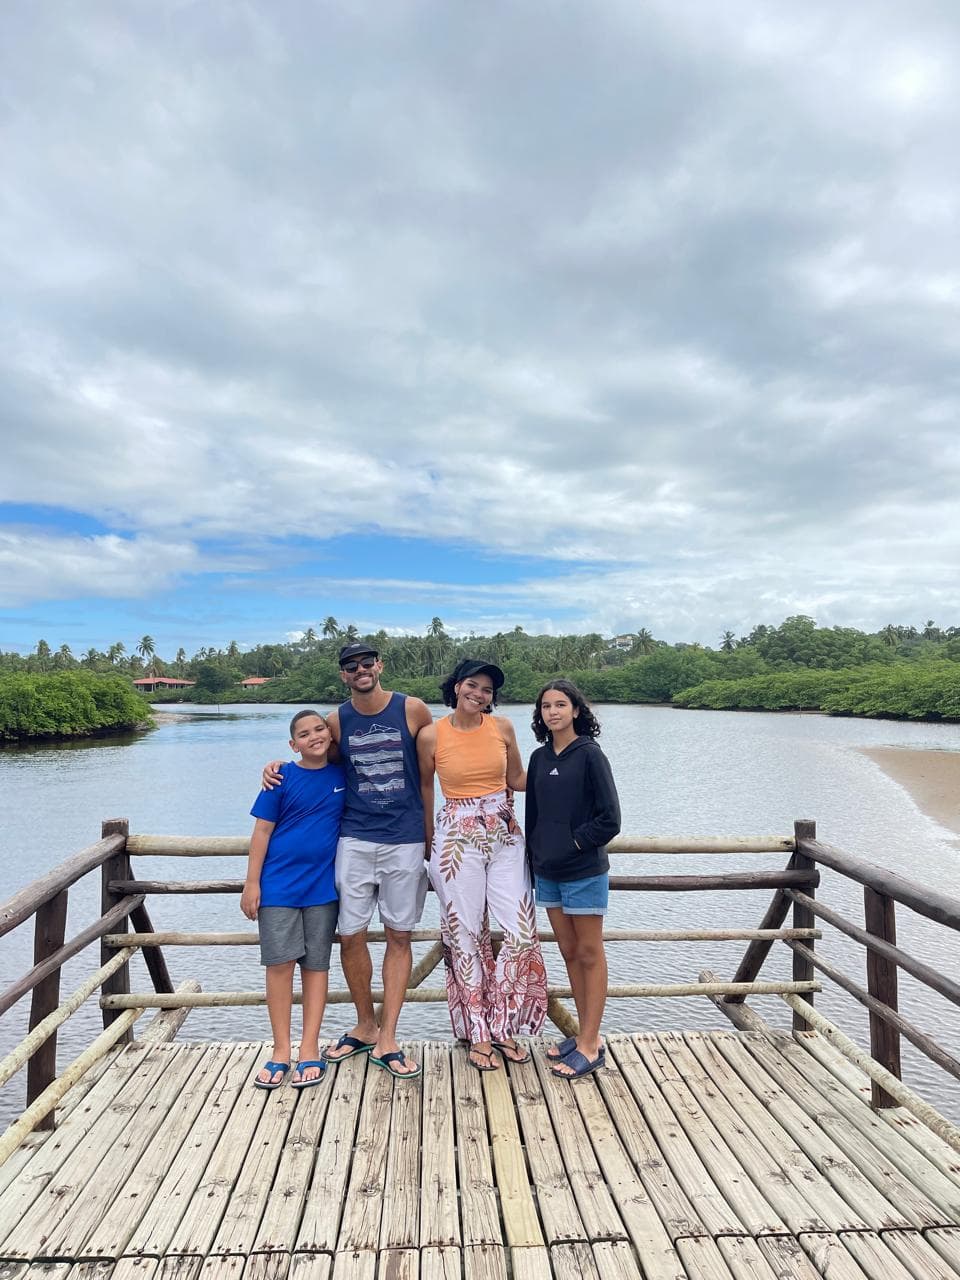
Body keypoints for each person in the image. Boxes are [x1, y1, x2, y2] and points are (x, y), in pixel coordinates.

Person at [262, 643, 431, 1080]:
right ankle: (365, 1024)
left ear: (380, 666)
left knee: (399, 935)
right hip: (354, 839)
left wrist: (430, 835)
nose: (361, 670)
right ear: (343, 675)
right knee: (350, 935)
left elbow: (429, 776)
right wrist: (276, 767)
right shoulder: (336, 721)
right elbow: (315, 760)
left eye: (367, 663)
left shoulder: (413, 710)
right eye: (351, 666)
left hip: (404, 838)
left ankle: (389, 1036)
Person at [418, 659, 547, 1071]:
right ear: (456, 687)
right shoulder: (430, 735)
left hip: (505, 833)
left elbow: (518, 779)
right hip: (456, 837)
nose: (479, 694)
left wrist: (569, 760)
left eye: (487, 690)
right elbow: (424, 789)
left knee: (520, 931)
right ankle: (477, 1032)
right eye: (472, 685)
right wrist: (427, 841)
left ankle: (505, 1026)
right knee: (466, 934)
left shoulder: (503, 728)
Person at [242, 709, 346, 1090]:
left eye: (320, 729)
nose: (314, 736)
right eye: (304, 734)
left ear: (330, 735)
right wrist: (251, 884)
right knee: (280, 965)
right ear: (293, 744)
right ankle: (281, 1050)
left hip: (322, 889)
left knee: (316, 967)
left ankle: (309, 1047)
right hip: (279, 887)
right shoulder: (282, 777)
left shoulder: (342, 775)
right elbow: (261, 833)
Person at [525, 680, 621, 1079]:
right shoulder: (538, 757)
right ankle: (585, 1034)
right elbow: (531, 814)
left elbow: (610, 819)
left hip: (583, 871)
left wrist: (574, 843)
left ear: (576, 710)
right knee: (567, 952)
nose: (553, 712)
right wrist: (535, 856)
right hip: (547, 872)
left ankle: (590, 1044)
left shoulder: (590, 756)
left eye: (561, 704)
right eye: (546, 706)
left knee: (588, 952)